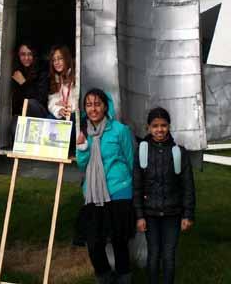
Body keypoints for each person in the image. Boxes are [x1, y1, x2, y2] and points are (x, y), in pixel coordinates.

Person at [76, 88, 135, 284]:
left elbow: (130, 160)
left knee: (119, 240)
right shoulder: (84, 132)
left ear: (105, 106)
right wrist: (83, 148)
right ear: (85, 108)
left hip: (119, 190)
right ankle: (105, 277)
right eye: (89, 104)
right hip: (93, 193)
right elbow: (82, 164)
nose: (93, 109)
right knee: (94, 243)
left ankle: (124, 277)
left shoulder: (119, 129)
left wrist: (136, 190)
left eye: (97, 104)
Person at [133, 107, 196, 284]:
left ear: (169, 126)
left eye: (163, 125)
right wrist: (139, 216)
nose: (159, 130)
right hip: (150, 214)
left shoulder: (179, 152)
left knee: (168, 256)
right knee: (153, 255)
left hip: (172, 214)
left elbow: (188, 186)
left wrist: (187, 214)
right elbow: (137, 186)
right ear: (148, 128)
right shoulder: (141, 151)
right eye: (155, 126)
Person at [10, 42, 49, 146]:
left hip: (39, 112)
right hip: (22, 115)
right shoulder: (16, 72)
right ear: (18, 56)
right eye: (23, 54)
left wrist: (24, 83)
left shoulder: (42, 70)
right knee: (15, 131)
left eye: (30, 54)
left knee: (30, 103)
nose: (26, 58)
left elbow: (41, 98)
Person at [47, 45, 77, 120]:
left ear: (66, 59)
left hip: (73, 113)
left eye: (60, 58)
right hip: (62, 114)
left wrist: (68, 106)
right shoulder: (55, 78)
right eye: (54, 60)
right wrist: (59, 110)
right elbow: (52, 102)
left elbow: (78, 100)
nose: (56, 63)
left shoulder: (76, 75)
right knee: (50, 118)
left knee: (71, 117)